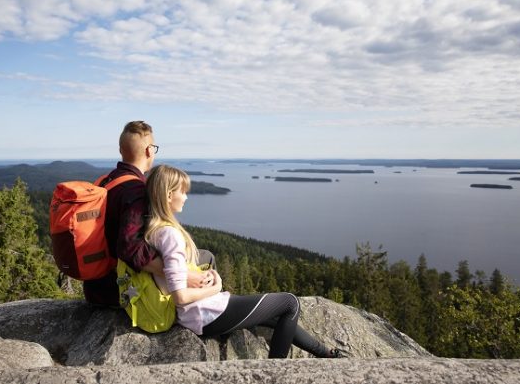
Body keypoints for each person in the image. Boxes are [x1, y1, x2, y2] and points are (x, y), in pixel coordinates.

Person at [144, 164, 343, 358]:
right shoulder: (170, 234)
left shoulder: (155, 230)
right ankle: (274, 372)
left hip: (200, 312)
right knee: (290, 303)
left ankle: (324, 353)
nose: (186, 197)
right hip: (204, 315)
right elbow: (180, 297)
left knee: (274, 316)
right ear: (169, 195)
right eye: (183, 191)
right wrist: (215, 288)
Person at [83, 121, 215, 306]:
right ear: (149, 151)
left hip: (96, 287)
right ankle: (203, 318)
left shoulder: (105, 181)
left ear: (121, 150)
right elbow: (129, 248)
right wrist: (185, 275)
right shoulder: (136, 191)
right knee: (207, 258)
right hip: (120, 290)